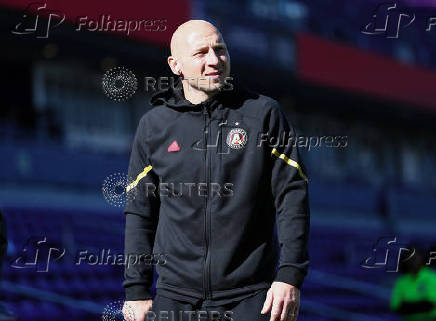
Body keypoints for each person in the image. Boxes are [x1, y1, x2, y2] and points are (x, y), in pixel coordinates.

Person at [122, 20, 310, 321]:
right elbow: (140, 212)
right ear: (176, 65)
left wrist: (289, 275)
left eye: (219, 50)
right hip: (175, 300)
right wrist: (137, 291)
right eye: (201, 53)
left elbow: (292, 197)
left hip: (251, 299)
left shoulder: (263, 114)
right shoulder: (153, 126)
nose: (214, 60)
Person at [391, 247, 436, 321]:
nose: (413, 261)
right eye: (409, 257)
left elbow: (430, 304)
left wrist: (407, 305)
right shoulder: (401, 281)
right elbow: (396, 307)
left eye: (415, 257)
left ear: (422, 258)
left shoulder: (432, 278)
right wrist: (420, 304)